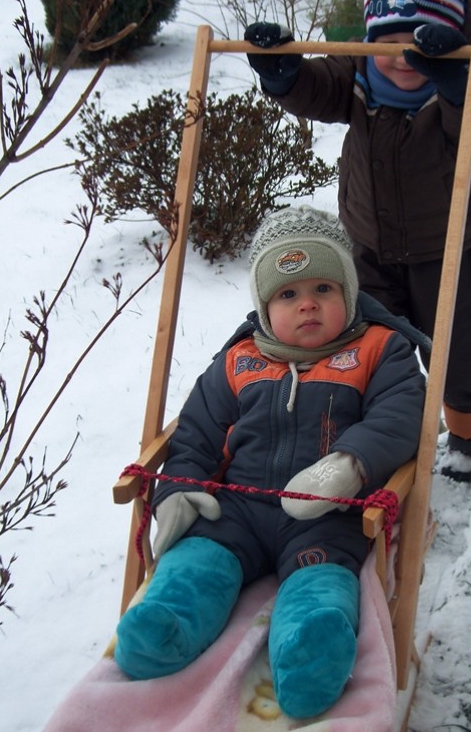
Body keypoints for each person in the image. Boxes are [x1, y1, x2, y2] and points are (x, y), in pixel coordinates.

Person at [114, 205, 426, 719]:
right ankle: (165, 624)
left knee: (322, 584)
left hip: (326, 515)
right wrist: (179, 489)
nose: (307, 305)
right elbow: (196, 433)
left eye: (323, 289)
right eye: (288, 294)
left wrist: (350, 465)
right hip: (235, 511)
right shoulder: (240, 359)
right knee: (199, 562)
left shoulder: (379, 350)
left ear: (349, 293)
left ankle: (310, 655)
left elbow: (400, 415)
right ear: (263, 306)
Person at [244, 0, 471, 482]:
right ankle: (370, 427)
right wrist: (283, 75)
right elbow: (318, 90)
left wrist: (457, 78)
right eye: (387, 43)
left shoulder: (465, 80)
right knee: (369, 343)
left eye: (417, 45)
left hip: (449, 248)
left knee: (463, 346)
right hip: (368, 247)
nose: (399, 58)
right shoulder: (358, 76)